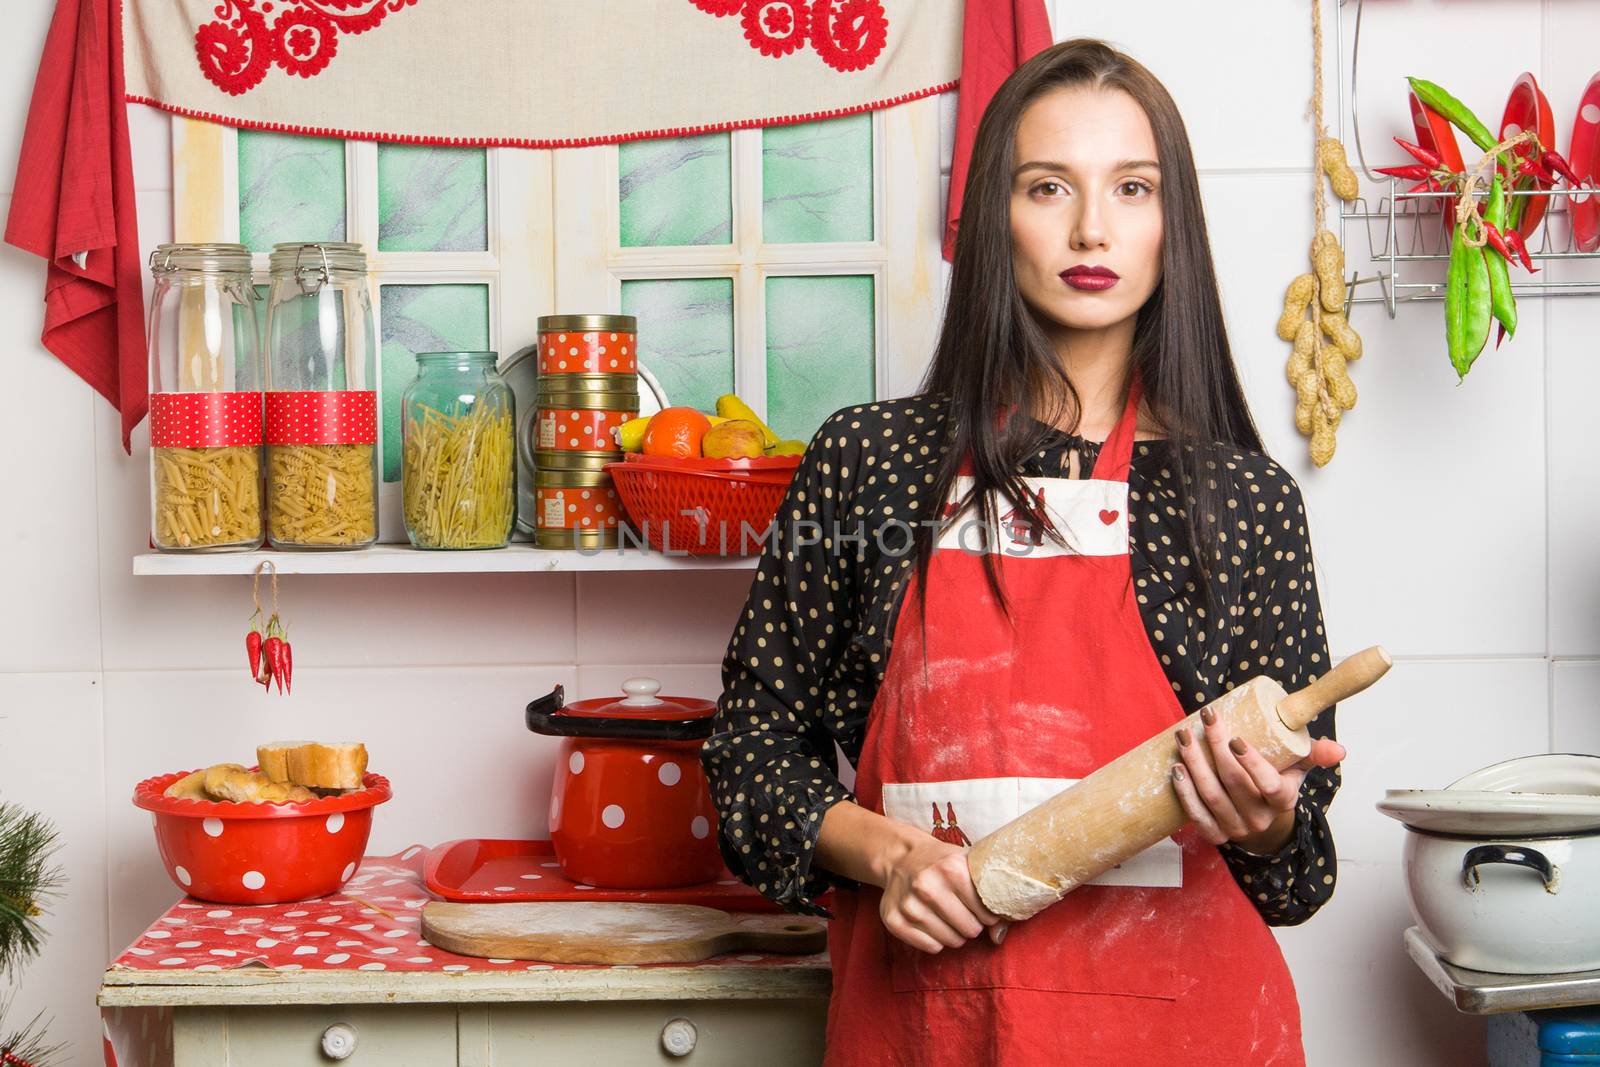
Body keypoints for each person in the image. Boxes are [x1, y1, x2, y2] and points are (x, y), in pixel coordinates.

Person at [701, 37, 1345, 1066]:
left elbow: (1300, 873)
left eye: (1131, 188)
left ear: (1171, 223)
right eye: (1048, 187)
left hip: (1182, 1032)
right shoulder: (870, 465)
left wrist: (1264, 819)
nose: (1092, 227)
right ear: (993, 219)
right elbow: (749, 758)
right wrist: (886, 855)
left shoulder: (1241, 500)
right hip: (931, 1028)